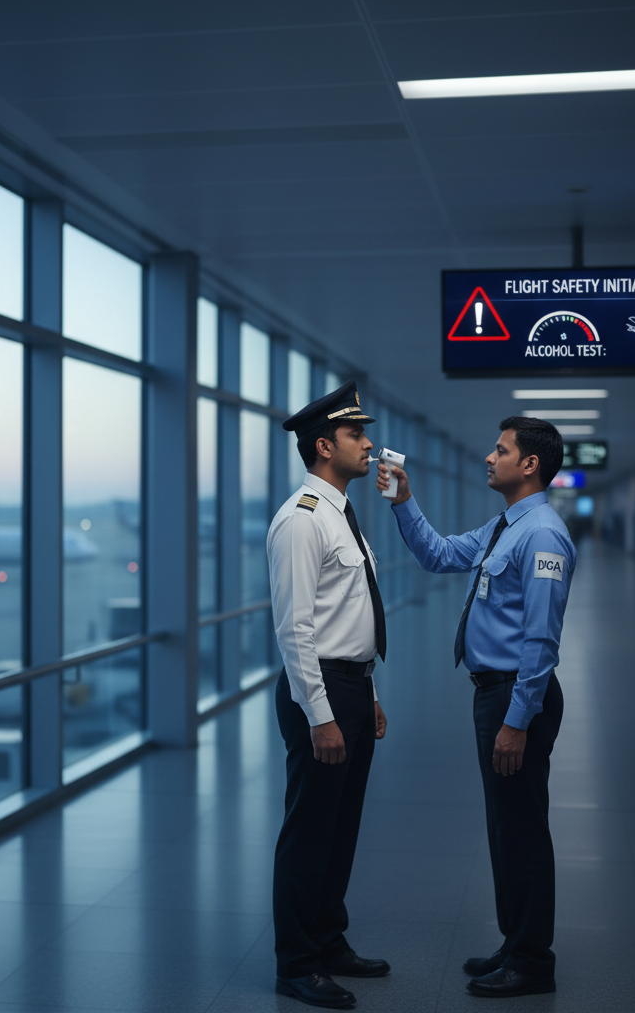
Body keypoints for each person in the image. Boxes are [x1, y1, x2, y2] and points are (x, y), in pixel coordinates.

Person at [376, 416, 574, 999]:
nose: (490, 458)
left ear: (530, 463)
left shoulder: (541, 535)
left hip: (517, 696)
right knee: (503, 828)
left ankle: (533, 960)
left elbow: (541, 640)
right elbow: (438, 555)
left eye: (501, 449)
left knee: (522, 831)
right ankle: (515, 944)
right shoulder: (505, 527)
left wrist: (517, 721)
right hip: (495, 692)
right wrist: (404, 503)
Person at [268, 379, 390, 1010]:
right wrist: (321, 715)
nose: (368, 445)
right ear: (324, 445)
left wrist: (364, 693)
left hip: (350, 686)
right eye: (355, 435)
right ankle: (297, 962)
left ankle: (329, 939)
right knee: (310, 829)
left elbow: (347, 616)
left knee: (341, 827)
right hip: (317, 694)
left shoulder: (343, 514)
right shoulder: (302, 520)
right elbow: (295, 630)